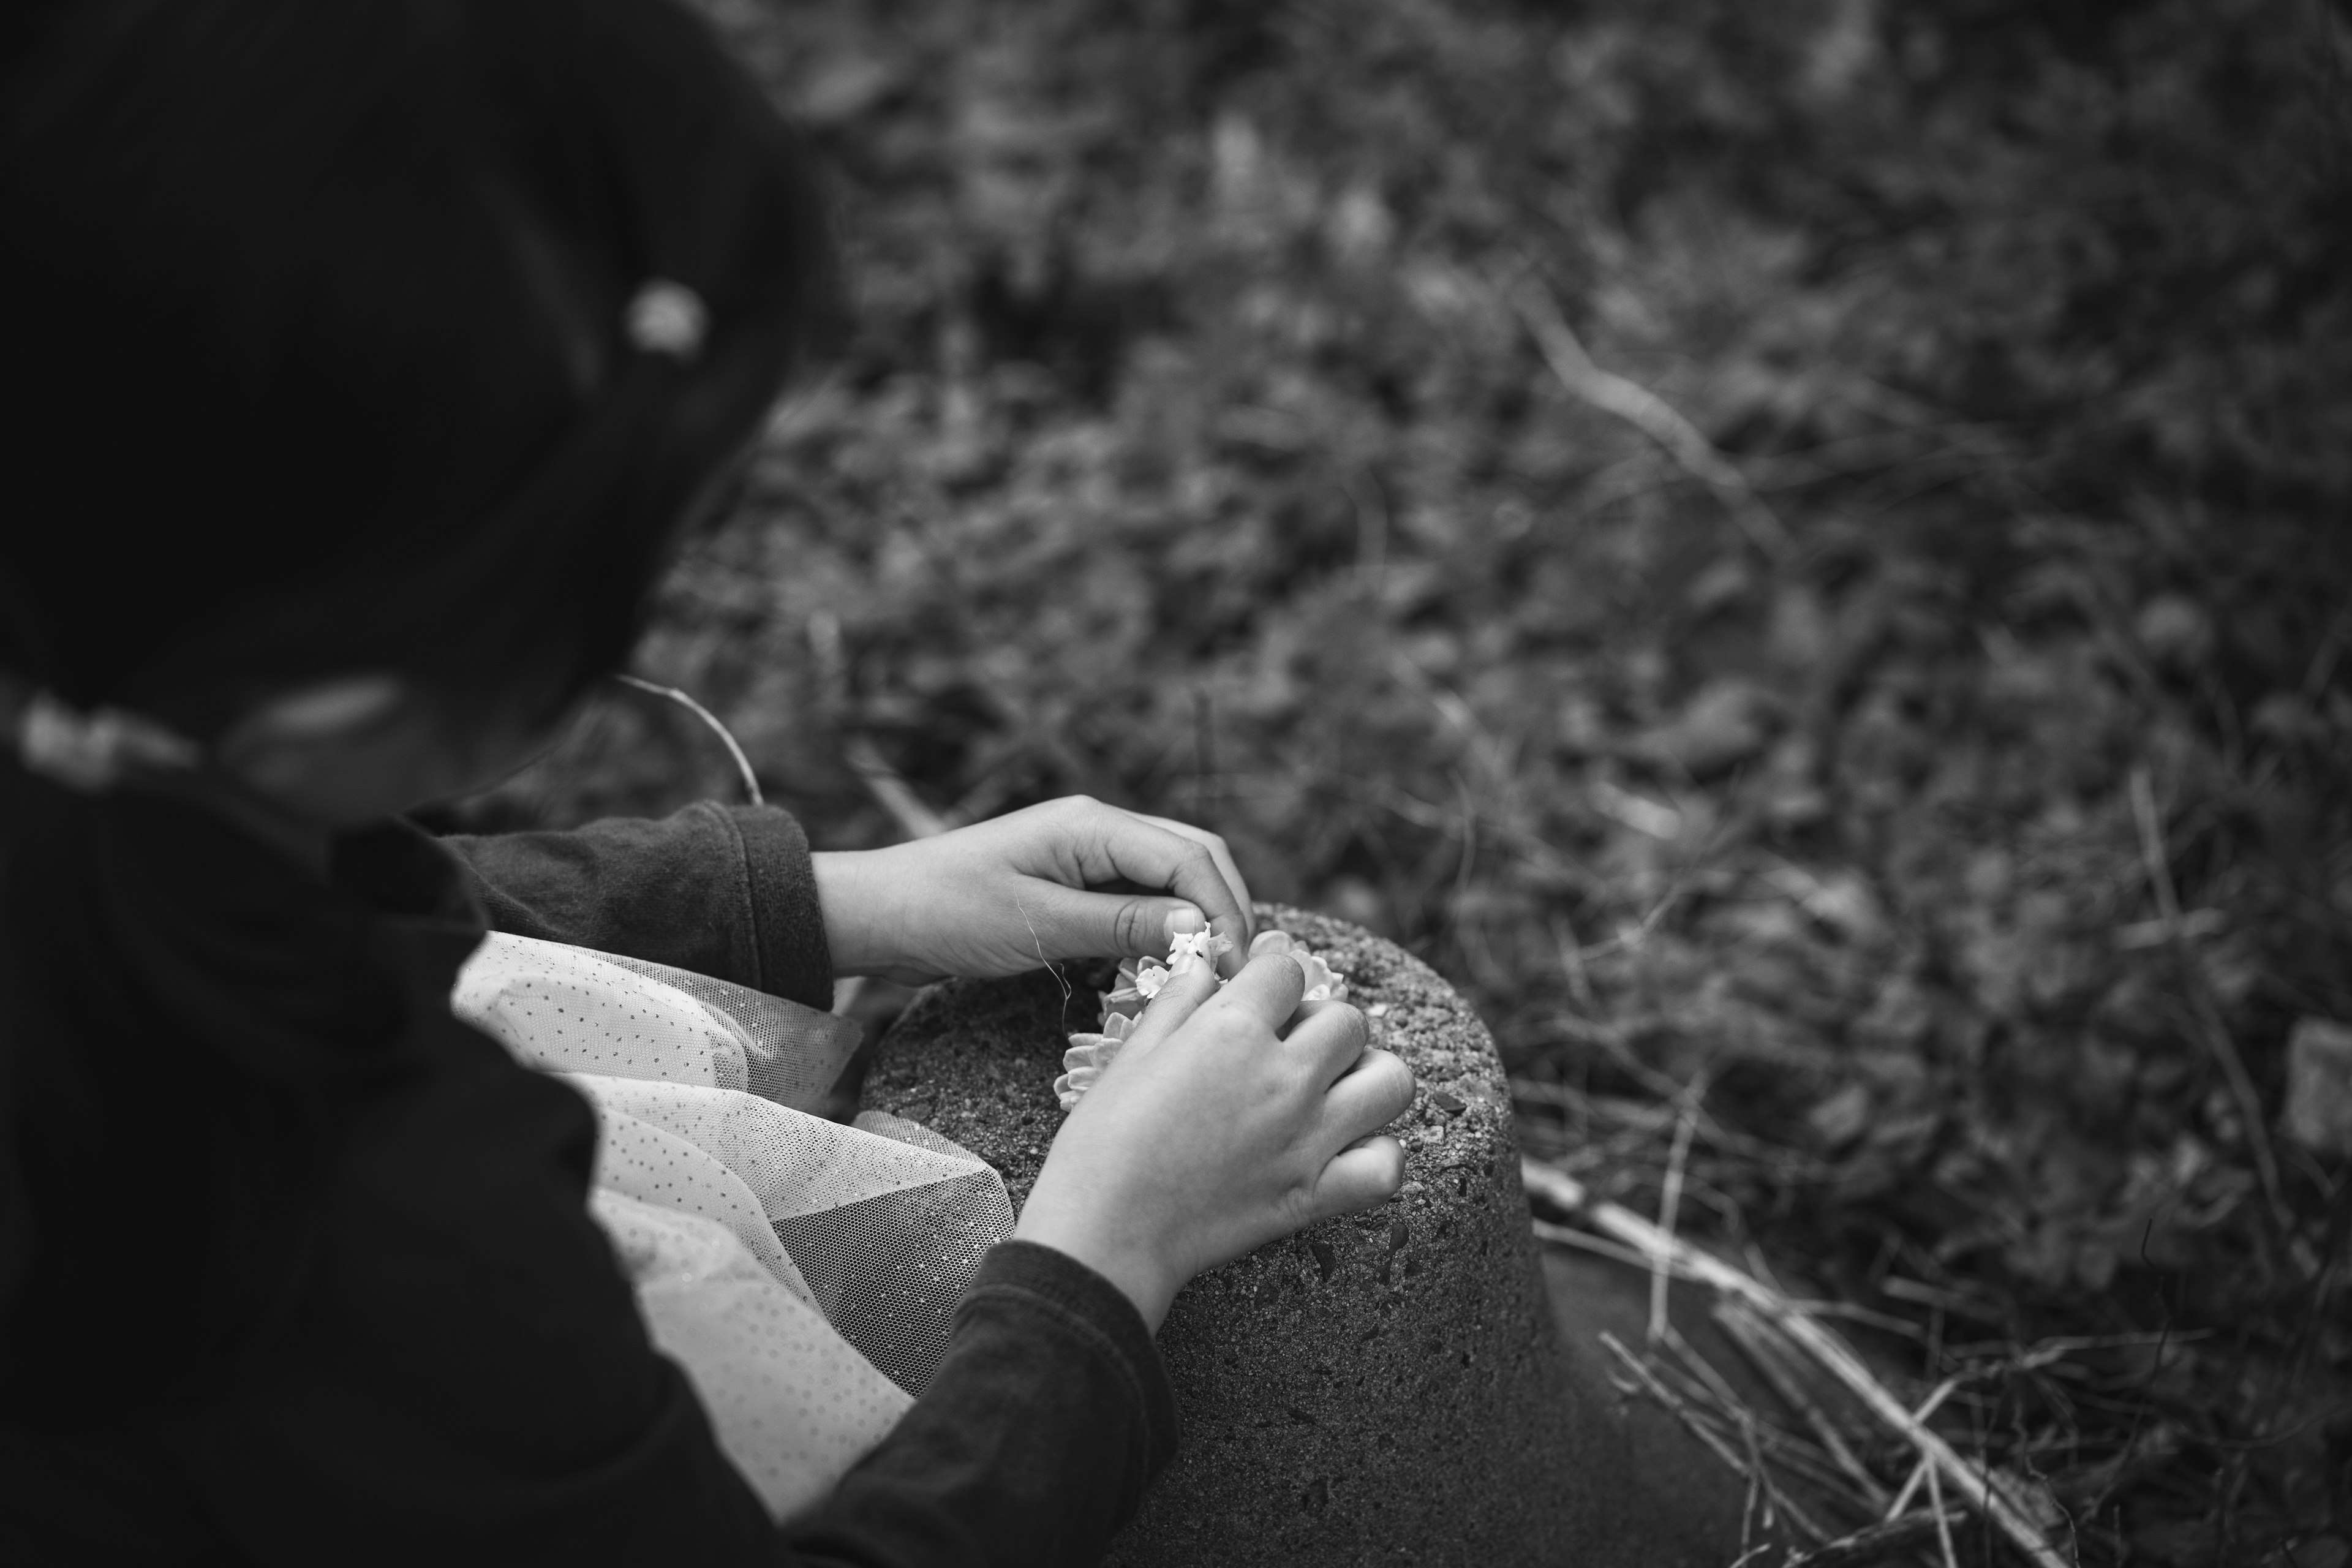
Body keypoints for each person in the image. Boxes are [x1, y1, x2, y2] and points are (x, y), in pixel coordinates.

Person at [0, 1, 1417, 1561]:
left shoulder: (96, 731)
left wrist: (834, 901)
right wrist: (1107, 1252)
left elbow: (286, 873)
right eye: (652, 555)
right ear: (362, 701)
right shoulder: (385, 1238)